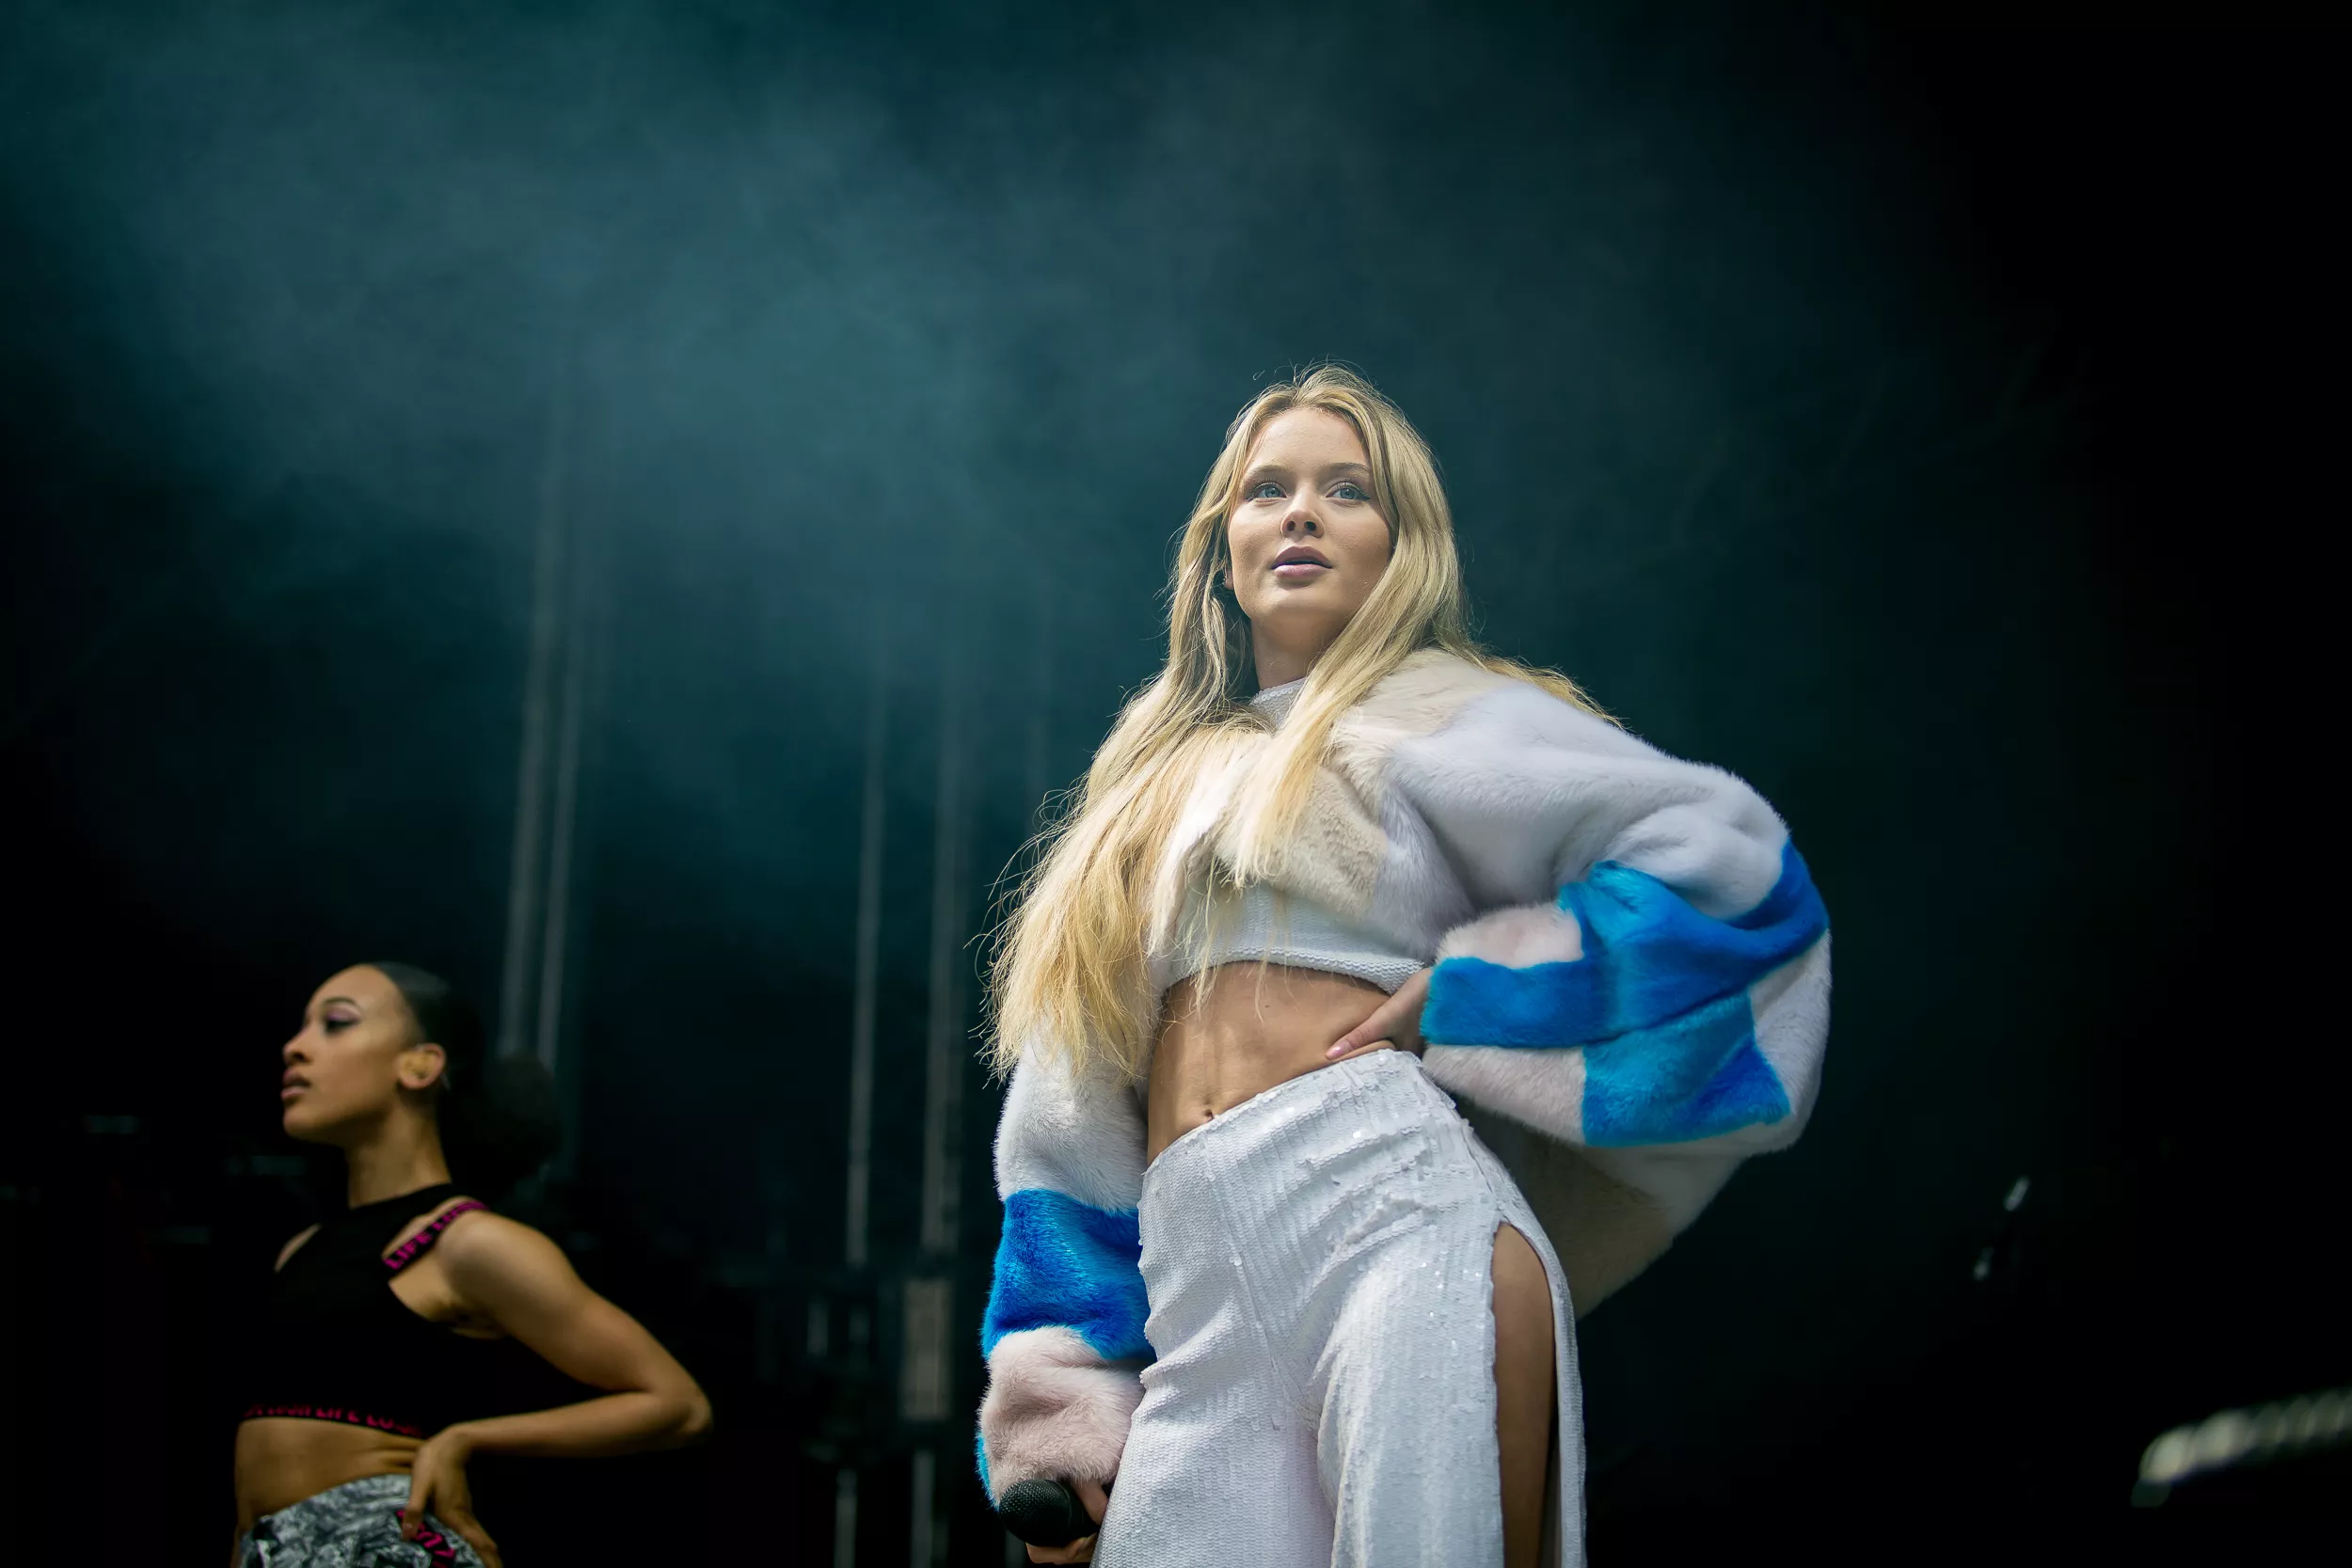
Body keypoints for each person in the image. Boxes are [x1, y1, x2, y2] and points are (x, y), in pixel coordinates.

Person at [974, 366, 1831, 1566]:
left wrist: (1489, 988)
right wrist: (1058, 1406)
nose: (1301, 511)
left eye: (1348, 490)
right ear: (1221, 552)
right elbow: (1062, 1122)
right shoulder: (1142, 790)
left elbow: (1734, 875)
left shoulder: (1449, 714)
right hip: (1197, 1300)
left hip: (1391, 1219)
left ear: (1403, 548)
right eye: (1266, 489)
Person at [233, 961, 712, 1566]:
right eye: (301, 1027)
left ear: (420, 1065)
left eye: (336, 1023)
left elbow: (677, 1403)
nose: (295, 1047)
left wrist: (467, 1439)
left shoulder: (466, 1242)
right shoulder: (300, 1249)